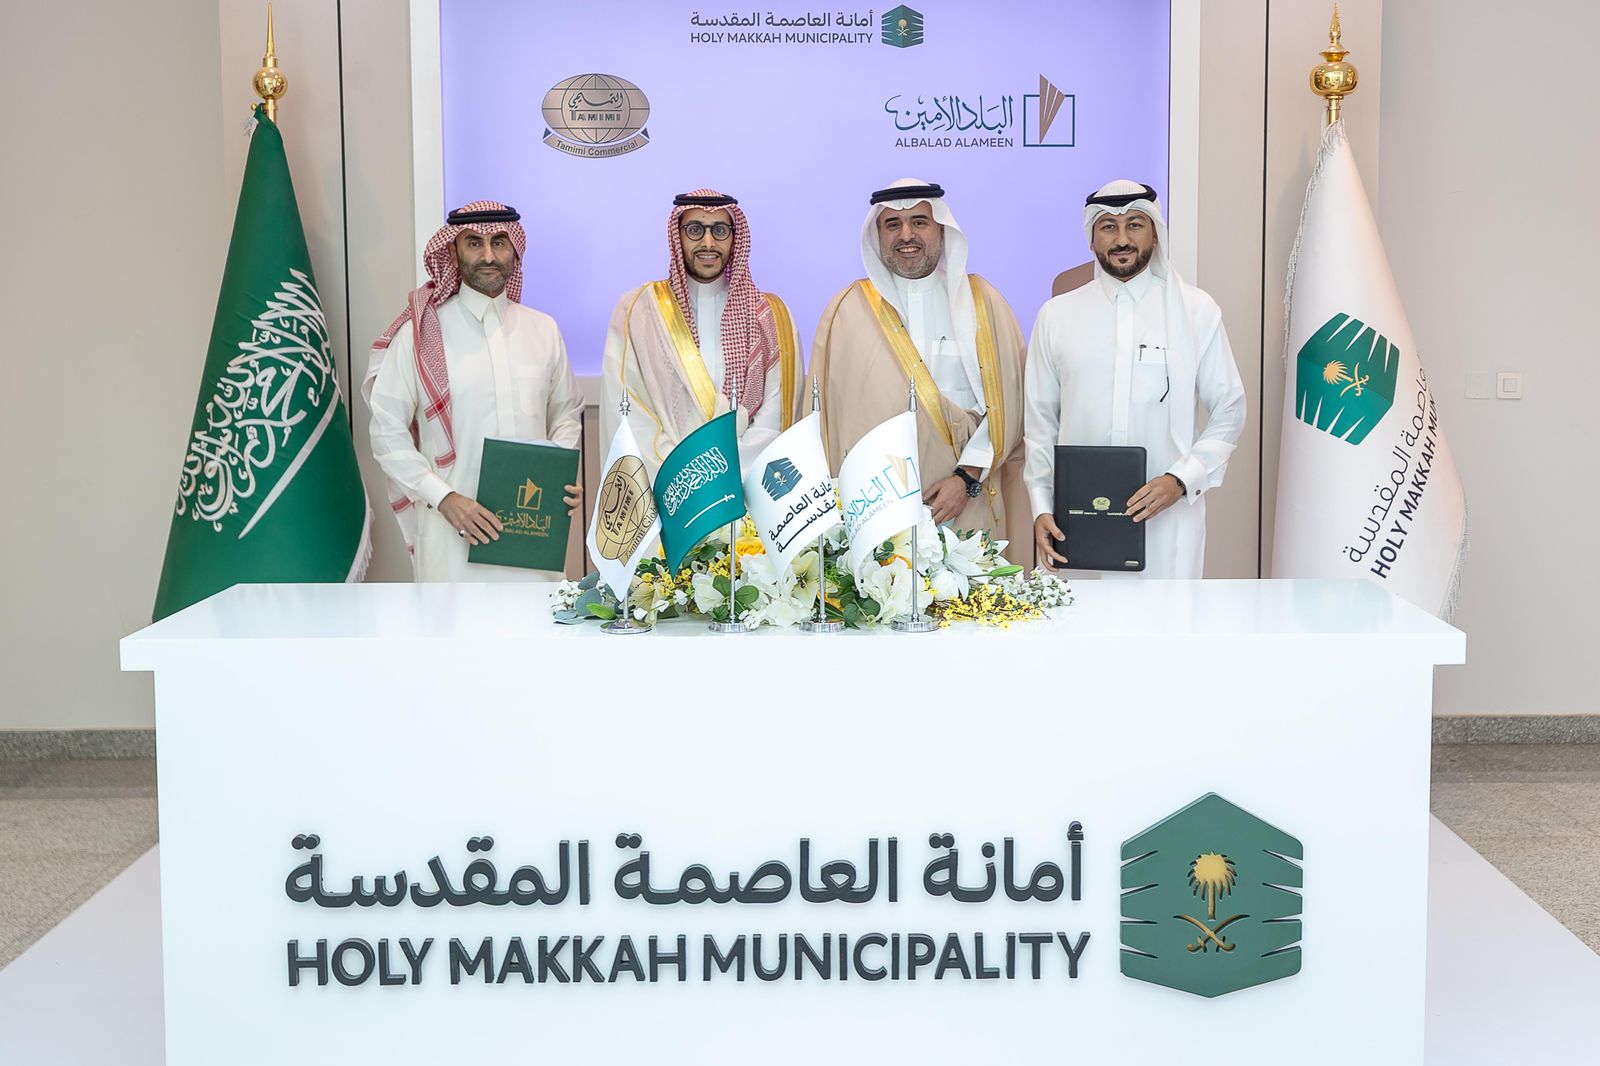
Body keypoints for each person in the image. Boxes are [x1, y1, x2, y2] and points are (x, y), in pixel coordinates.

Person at [1025, 180, 1247, 578]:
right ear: (1092, 239)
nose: (1122, 239)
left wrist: (1181, 480)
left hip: (1167, 519)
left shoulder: (1196, 311)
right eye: (1108, 226)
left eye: (1135, 225)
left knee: (1164, 618)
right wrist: (1042, 506)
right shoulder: (1057, 316)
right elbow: (1040, 424)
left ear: (1155, 233)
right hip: (1076, 521)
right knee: (1080, 617)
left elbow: (1229, 409)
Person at [365, 201, 582, 581]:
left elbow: (565, 413)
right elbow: (386, 430)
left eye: (499, 242)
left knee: (536, 620)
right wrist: (443, 498)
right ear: (453, 251)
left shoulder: (543, 330)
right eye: (474, 243)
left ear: (515, 250)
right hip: (451, 543)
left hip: (532, 538)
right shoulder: (420, 335)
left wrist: (555, 474)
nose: (488, 256)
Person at [808, 178, 1028, 537]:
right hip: (874, 511)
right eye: (893, 224)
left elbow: (1011, 407)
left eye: (919, 222)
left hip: (965, 504)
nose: (906, 234)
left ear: (941, 228)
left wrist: (966, 478)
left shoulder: (983, 303)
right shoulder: (847, 310)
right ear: (877, 235)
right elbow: (823, 422)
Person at [600, 189, 801, 474]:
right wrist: (684, 474)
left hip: (746, 484)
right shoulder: (640, 310)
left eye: (720, 230)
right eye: (695, 230)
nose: (708, 242)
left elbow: (775, 415)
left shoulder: (768, 315)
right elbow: (629, 409)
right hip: (669, 483)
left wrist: (726, 474)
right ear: (677, 235)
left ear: (734, 237)